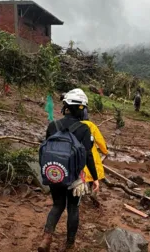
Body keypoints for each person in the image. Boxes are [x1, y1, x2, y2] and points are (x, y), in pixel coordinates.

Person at [38, 89, 100, 252]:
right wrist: (95, 178)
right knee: (73, 208)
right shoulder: (84, 129)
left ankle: (46, 238)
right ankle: (70, 245)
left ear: (66, 107)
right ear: (82, 109)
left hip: (55, 173)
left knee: (57, 205)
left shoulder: (53, 125)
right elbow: (87, 157)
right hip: (75, 178)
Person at [81, 107, 109, 207]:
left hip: (77, 155)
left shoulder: (74, 125)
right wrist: (105, 151)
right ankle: (93, 193)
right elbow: (99, 140)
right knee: (94, 174)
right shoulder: (91, 125)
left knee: (82, 175)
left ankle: (83, 195)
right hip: (91, 154)